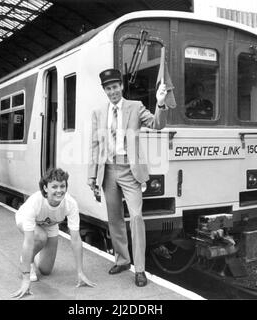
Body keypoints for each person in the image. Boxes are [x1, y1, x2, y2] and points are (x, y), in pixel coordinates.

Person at [87, 68, 168, 287]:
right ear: (104, 90)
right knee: (114, 219)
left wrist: (160, 103)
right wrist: (91, 176)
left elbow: (158, 125)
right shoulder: (98, 113)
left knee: (136, 217)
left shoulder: (136, 107)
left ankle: (139, 269)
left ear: (121, 87)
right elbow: (95, 145)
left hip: (131, 171)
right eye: (108, 88)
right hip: (108, 171)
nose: (112, 91)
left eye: (115, 87)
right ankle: (122, 260)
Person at [12, 168, 96, 299]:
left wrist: (80, 272)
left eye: (62, 186)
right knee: (40, 237)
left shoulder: (71, 204)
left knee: (46, 270)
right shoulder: (35, 202)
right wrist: (26, 280)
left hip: (50, 224)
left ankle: (32, 256)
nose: (59, 190)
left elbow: (75, 239)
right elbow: (28, 241)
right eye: (54, 187)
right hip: (26, 221)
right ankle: (26, 261)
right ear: (45, 188)